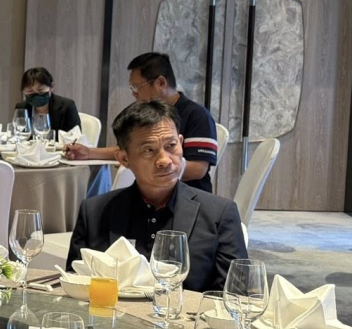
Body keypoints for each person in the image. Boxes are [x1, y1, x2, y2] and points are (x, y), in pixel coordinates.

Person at [67, 100, 247, 292]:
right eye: (149, 150)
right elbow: (75, 285)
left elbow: (236, 295)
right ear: (124, 159)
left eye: (171, 146)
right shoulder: (94, 212)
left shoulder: (219, 214)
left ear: (181, 143)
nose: (164, 160)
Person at [65, 52, 219, 192]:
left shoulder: (197, 116)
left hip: (187, 195)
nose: (134, 94)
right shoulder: (146, 114)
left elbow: (198, 169)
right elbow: (129, 150)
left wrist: (145, 167)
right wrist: (89, 153)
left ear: (161, 83)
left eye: (137, 87)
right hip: (149, 194)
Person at [13, 67, 81, 136]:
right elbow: (18, 135)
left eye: (40, 90)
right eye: (30, 91)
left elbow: (75, 137)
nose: (36, 94)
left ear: (52, 87)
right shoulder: (21, 108)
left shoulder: (67, 106)